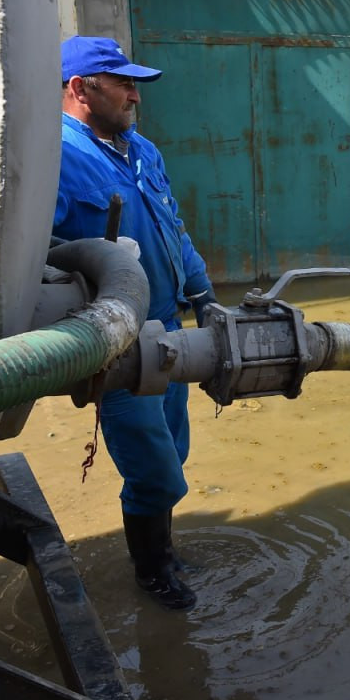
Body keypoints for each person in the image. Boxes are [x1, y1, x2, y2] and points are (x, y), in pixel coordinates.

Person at [53, 36, 218, 610]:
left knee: (174, 447)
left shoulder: (142, 150)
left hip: (168, 327)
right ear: (79, 89)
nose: (134, 95)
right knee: (153, 467)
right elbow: (38, 257)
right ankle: (151, 571)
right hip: (116, 342)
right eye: (121, 84)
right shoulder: (54, 156)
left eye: (135, 84)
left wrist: (204, 294)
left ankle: (162, 550)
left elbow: (173, 228)